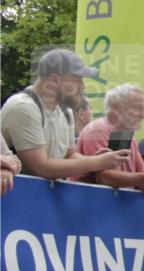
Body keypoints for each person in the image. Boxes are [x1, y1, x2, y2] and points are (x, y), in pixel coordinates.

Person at [1, 48, 128, 179]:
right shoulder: (23, 107)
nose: (83, 86)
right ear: (56, 80)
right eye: (78, 80)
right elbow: (41, 167)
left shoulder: (65, 111)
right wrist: (95, 163)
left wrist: (93, 161)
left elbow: (70, 155)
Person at [76, 84, 144, 191]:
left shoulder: (128, 138)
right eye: (138, 108)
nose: (143, 115)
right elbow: (106, 178)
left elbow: (143, 184)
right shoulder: (98, 131)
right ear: (117, 108)